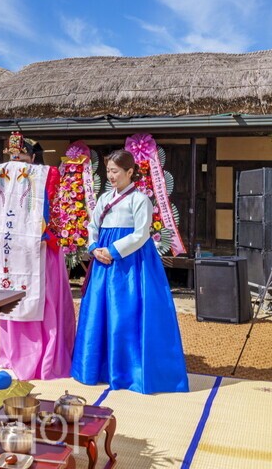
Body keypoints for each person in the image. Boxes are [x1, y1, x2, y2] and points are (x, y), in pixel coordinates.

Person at [71, 149, 188, 394]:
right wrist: (93, 247)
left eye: (115, 171)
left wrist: (113, 250)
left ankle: (128, 372)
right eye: (108, 171)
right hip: (103, 258)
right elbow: (93, 225)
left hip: (131, 262)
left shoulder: (140, 199)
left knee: (125, 313)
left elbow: (141, 234)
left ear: (130, 171)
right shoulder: (104, 198)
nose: (110, 176)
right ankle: (99, 368)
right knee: (100, 310)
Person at [0, 132, 75, 380]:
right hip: (21, 248)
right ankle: (22, 353)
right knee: (20, 295)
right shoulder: (38, 176)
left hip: (25, 248)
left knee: (26, 295)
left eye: (21, 159)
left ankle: (24, 353)